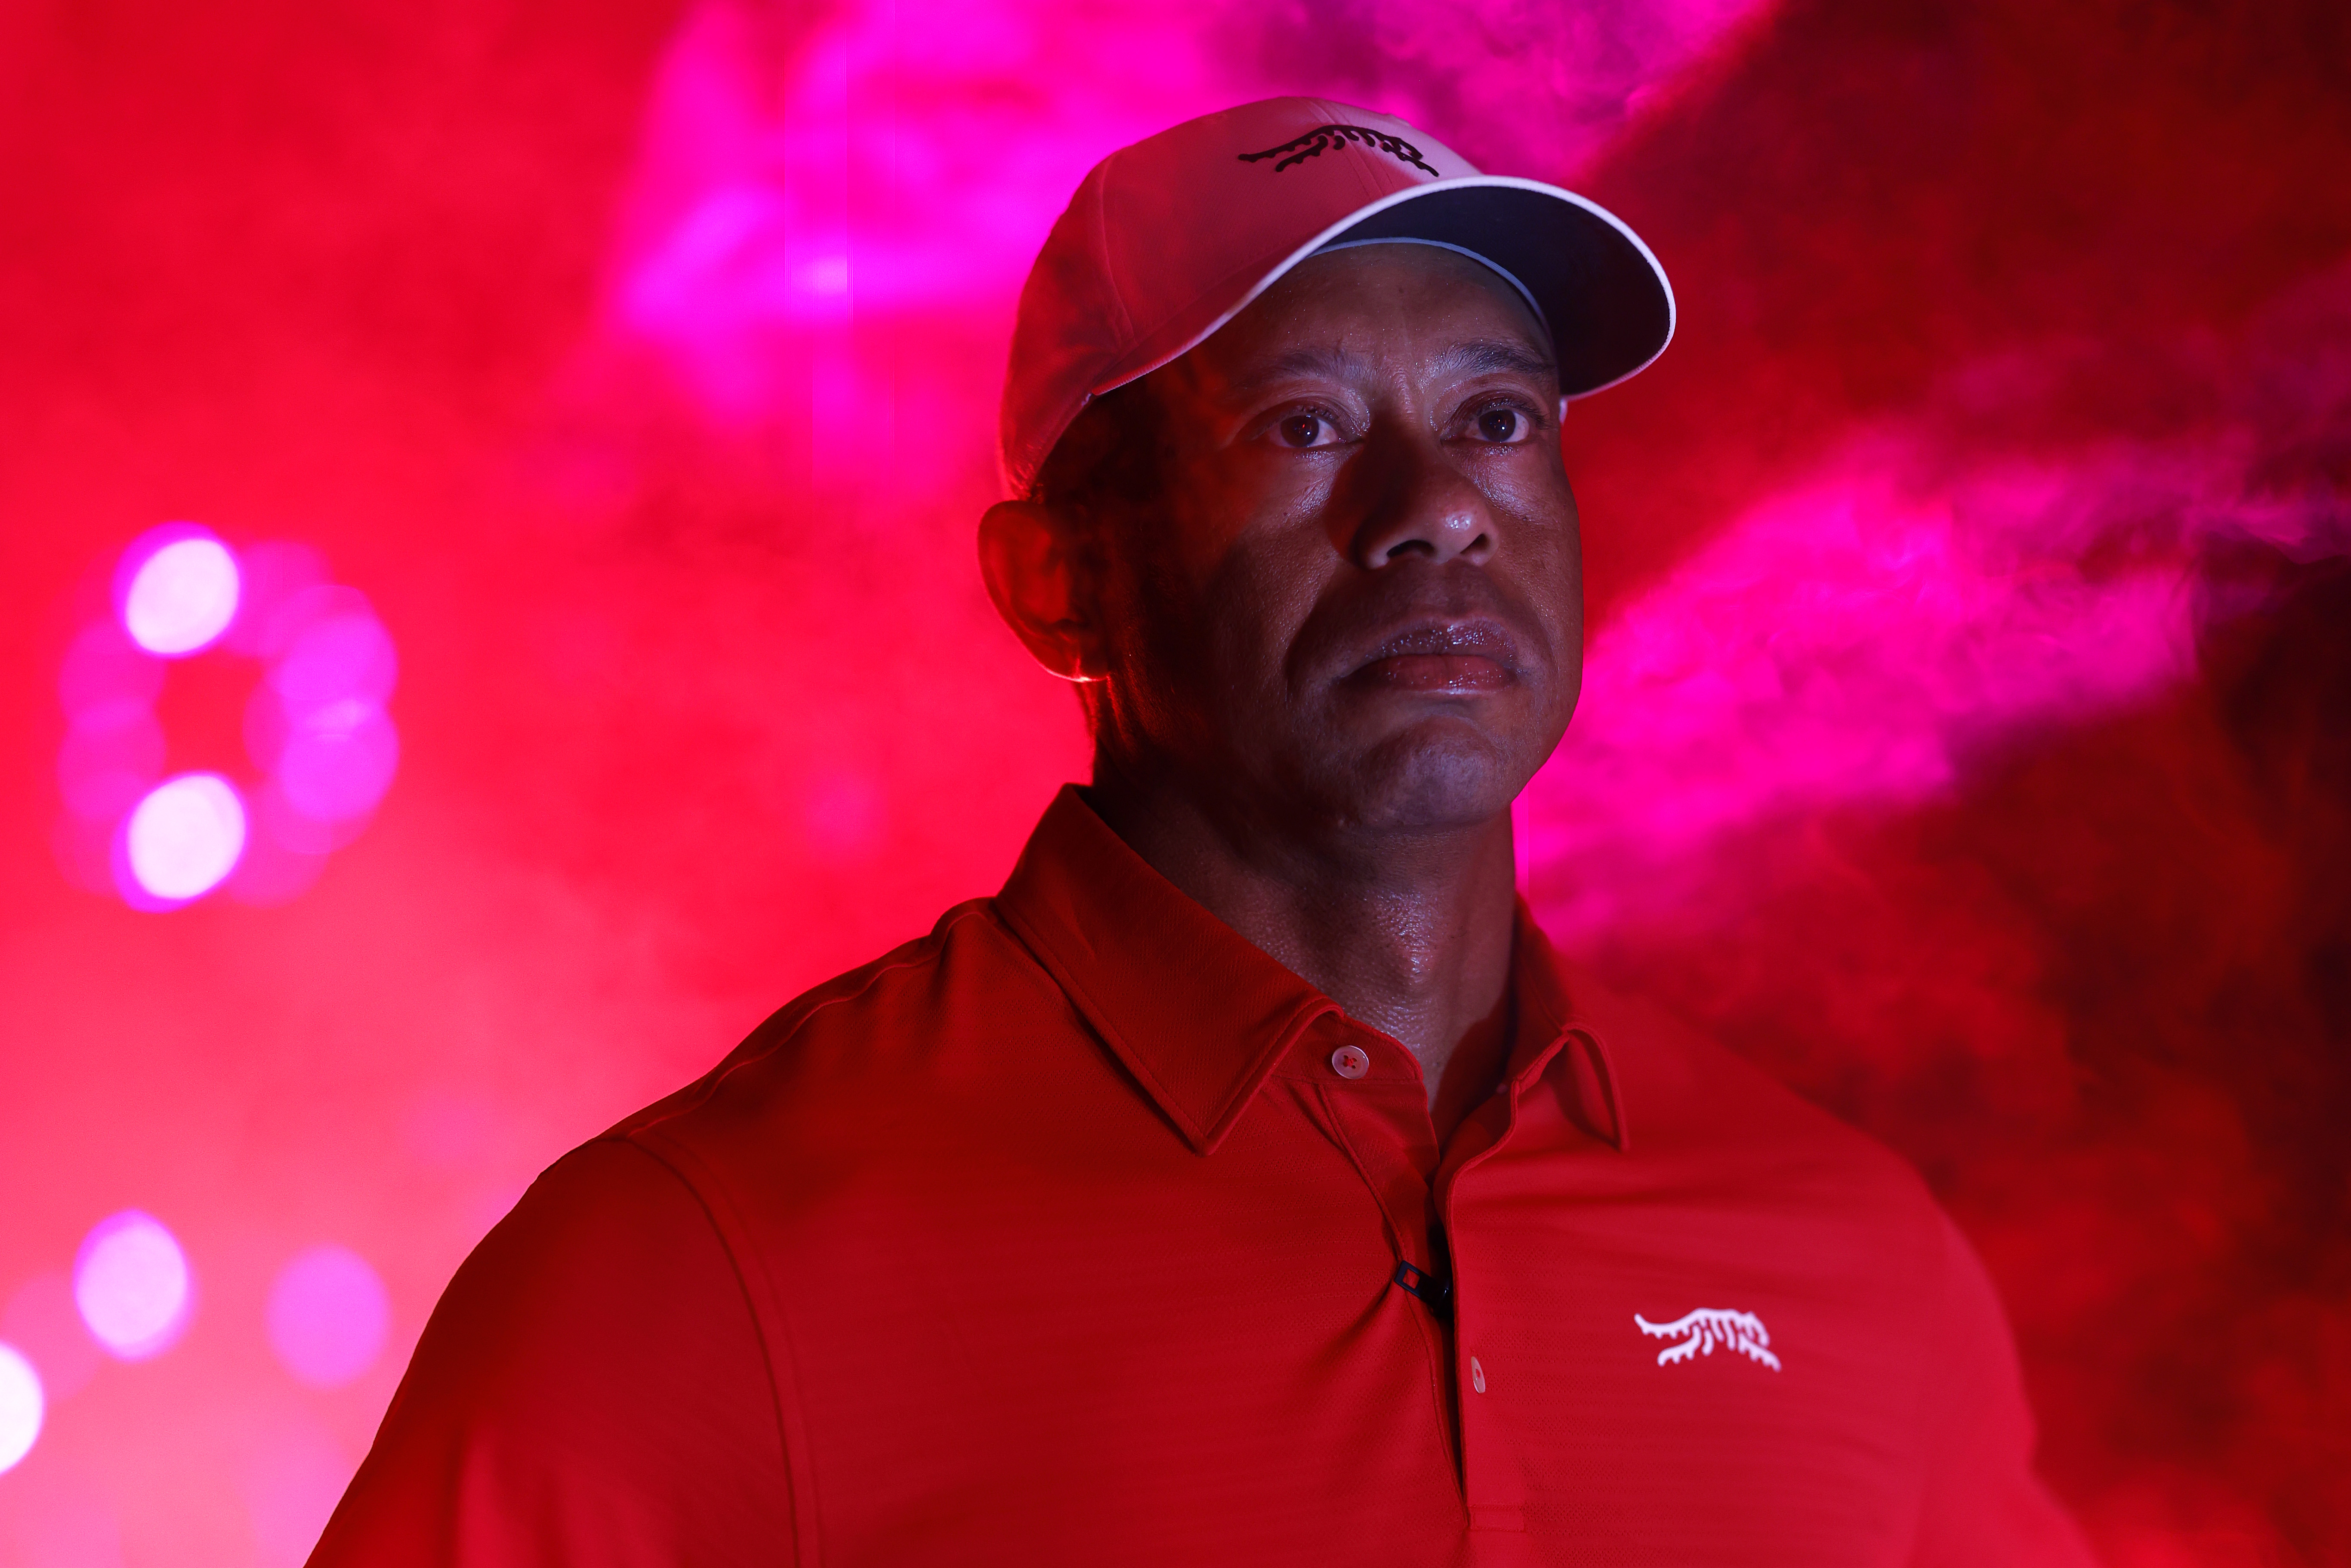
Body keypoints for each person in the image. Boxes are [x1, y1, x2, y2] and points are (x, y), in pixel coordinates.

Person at [310, 97, 2095, 1567]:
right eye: (1305, 426)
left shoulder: (1847, 1253)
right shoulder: (701, 1272)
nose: (1436, 511)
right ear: (1058, 583)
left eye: (1495, 419)